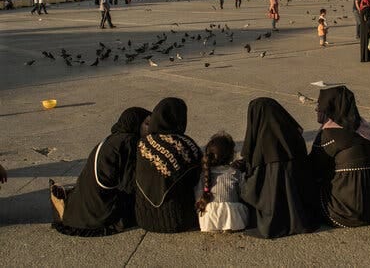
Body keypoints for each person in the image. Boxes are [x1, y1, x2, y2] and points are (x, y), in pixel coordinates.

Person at [50, 107, 151, 236]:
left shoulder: (114, 138)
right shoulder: (129, 142)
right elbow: (130, 184)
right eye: (146, 124)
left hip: (81, 209)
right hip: (98, 214)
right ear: (135, 124)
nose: (150, 129)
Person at [309, 86, 370, 227]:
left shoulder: (330, 135)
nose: (316, 109)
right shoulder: (363, 128)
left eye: (319, 105)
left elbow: (313, 169)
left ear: (330, 108)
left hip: (346, 213)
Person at [239, 98, 319, 239]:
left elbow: (254, 182)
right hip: (302, 204)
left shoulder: (261, 144)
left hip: (270, 205)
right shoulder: (293, 135)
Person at [135, 97, 202, 233]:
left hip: (144, 218)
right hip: (179, 220)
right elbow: (199, 177)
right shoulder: (185, 145)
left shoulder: (143, 143)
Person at [195, 132, 249, 232]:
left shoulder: (204, 174)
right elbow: (244, 194)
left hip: (208, 220)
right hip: (234, 220)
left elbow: (198, 196)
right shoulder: (235, 172)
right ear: (231, 155)